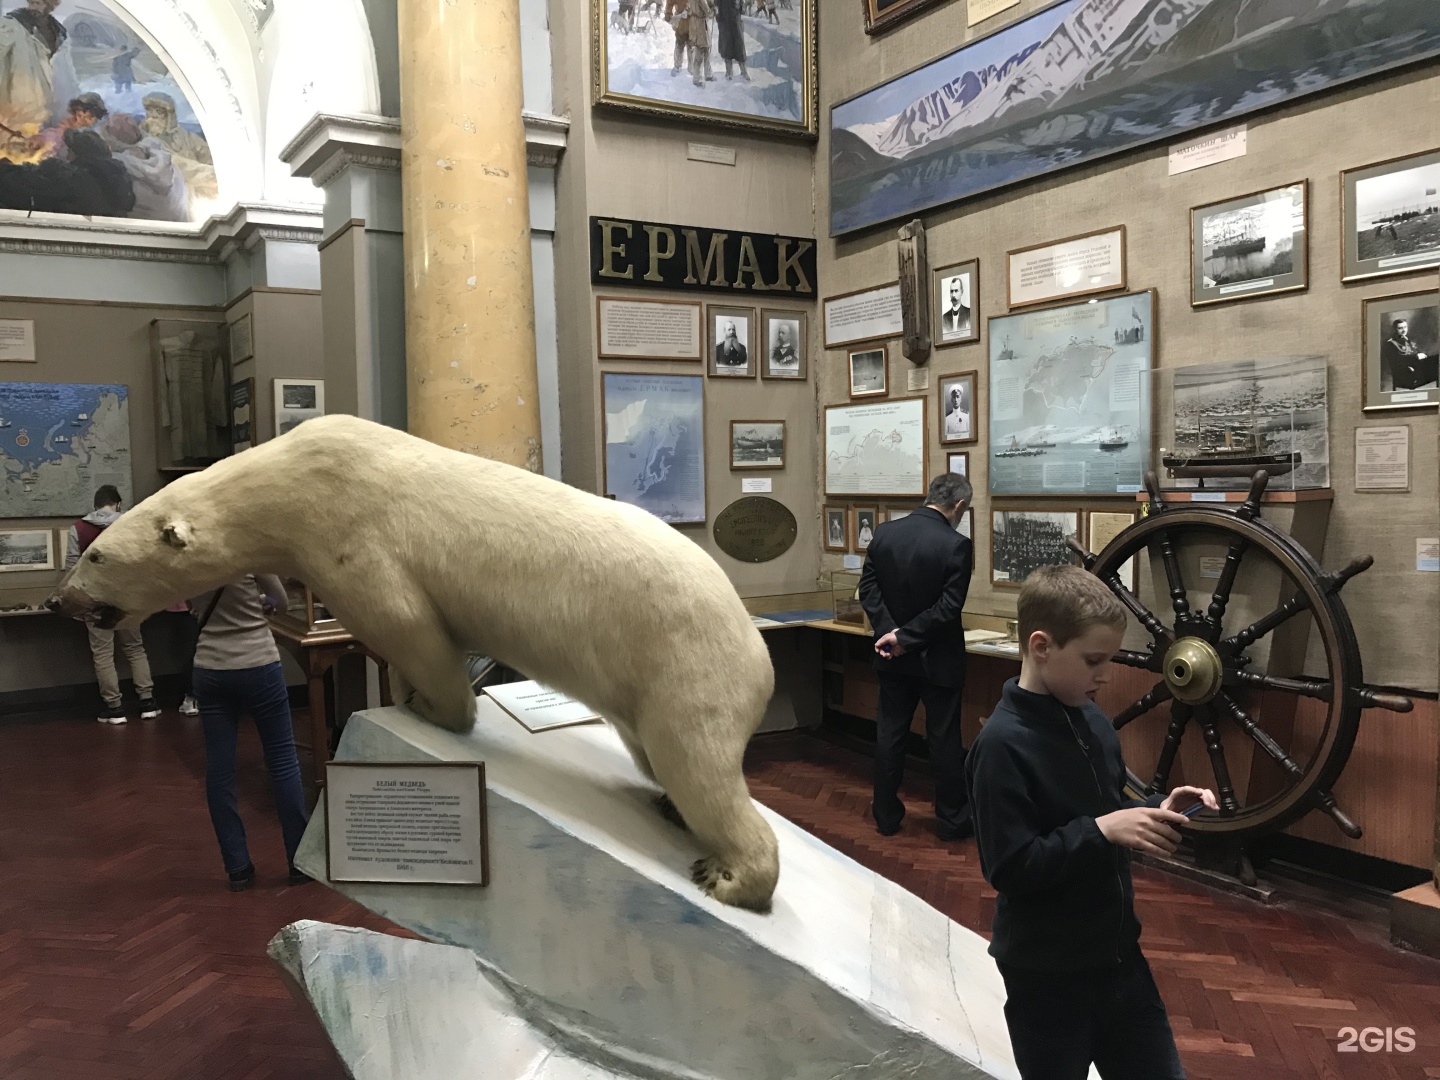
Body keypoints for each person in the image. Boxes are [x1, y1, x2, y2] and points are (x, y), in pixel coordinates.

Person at [966, 565, 1216, 1080]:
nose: (1106, 675)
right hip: (1045, 975)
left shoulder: (1093, 718)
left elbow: (1107, 797)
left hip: (1119, 955)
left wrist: (1158, 804)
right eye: (1093, 661)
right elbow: (1010, 867)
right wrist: (1102, 831)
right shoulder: (1000, 747)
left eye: (1112, 659)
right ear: (1041, 646)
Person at [857, 472, 974, 840]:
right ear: (958, 506)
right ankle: (952, 821)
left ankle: (886, 815)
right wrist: (906, 637)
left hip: (891, 656)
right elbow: (948, 608)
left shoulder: (885, 534)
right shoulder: (956, 545)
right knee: (943, 741)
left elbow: (868, 588)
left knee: (889, 734)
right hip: (937, 659)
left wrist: (891, 634)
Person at [190, 573, 311, 891]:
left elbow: (193, 607)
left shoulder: (189, 554)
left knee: (219, 770)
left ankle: (238, 867)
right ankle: (298, 861)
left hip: (210, 666)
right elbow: (280, 603)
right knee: (283, 761)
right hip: (259, 664)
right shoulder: (246, 549)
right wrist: (260, 603)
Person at [66, 485, 160, 724]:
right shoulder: (130, 524)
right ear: (117, 503)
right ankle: (147, 702)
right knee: (135, 649)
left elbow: (72, 569)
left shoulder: (79, 529)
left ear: (96, 505)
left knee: (103, 654)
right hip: (128, 596)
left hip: (95, 599)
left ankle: (114, 708)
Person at [1380, 316, 1435, 392]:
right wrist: (1416, 356)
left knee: (1434, 361)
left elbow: (1416, 350)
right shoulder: (1390, 344)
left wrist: (1421, 354)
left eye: (1405, 327)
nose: (1404, 330)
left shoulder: (1407, 339)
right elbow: (1398, 359)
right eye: (1400, 328)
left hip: (1416, 368)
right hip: (1403, 372)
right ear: (1395, 329)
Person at [715, 0, 747, 81]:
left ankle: (743, 71)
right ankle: (729, 72)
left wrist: (741, 6)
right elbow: (716, 6)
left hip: (736, 22)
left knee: (739, 46)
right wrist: (718, 17)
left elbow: (742, 6)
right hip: (725, 23)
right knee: (726, 47)